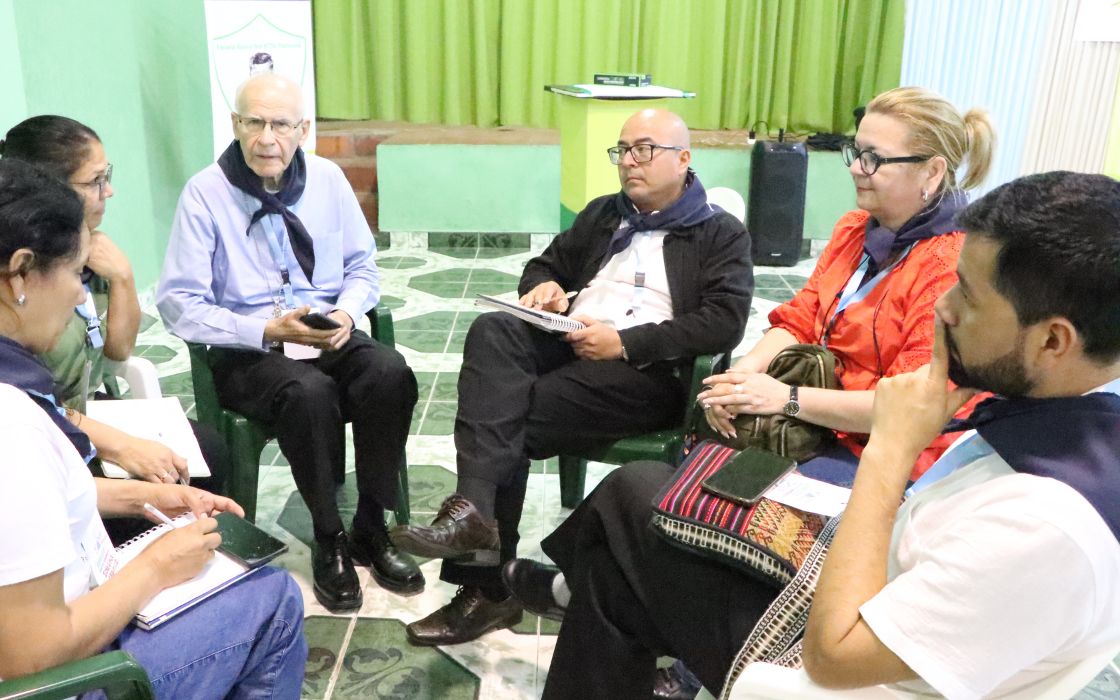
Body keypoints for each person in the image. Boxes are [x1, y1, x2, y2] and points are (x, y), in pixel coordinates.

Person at [507, 171, 1120, 699]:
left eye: (971, 298)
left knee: (631, 505)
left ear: (1052, 341)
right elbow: (802, 319)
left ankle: (563, 586)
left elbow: (833, 660)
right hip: (873, 589)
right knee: (625, 547)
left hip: (823, 673)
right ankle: (577, 588)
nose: (945, 308)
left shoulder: (1044, 526)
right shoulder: (1057, 417)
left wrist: (890, 446)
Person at [0, 159, 306, 698]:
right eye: (76, 273)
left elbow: (2, 507)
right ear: (19, 274)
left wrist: (143, 497)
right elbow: (32, 655)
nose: (81, 295)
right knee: (273, 600)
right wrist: (153, 568)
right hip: (23, 685)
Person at [390, 108, 755, 646]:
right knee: (494, 330)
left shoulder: (719, 233)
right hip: (571, 342)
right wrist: (543, 289)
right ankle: (476, 516)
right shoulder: (605, 213)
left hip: (644, 373)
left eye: (644, 149)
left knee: (505, 416)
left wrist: (625, 343)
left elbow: (723, 321)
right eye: (622, 150)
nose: (629, 162)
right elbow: (545, 265)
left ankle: (485, 586)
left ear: (683, 159)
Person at [156, 73, 422, 613]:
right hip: (250, 349)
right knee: (309, 394)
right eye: (254, 122)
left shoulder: (327, 180)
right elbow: (178, 303)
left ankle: (371, 526)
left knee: (389, 373)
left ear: (303, 129)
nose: (266, 138)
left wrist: (346, 313)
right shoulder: (205, 193)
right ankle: (330, 538)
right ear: (235, 124)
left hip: (325, 333)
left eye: (280, 125)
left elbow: (362, 266)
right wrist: (264, 330)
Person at [699, 86, 996, 488]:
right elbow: (801, 320)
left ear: (932, 171)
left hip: (892, 453)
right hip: (821, 425)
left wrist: (785, 398)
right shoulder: (855, 230)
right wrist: (742, 377)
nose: (856, 168)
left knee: (727, 499)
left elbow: (909, 406)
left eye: (874, 158)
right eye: (856, 152)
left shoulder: (951, 268)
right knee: (691, 476)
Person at [0, 116, 231, 496]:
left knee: (205, 450)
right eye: (96, 181)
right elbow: (33, 403)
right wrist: (124, 447)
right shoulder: (21, 276)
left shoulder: (92, 249)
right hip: (45, 436)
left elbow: (118, 351)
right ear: (50, 189)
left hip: (86, 412)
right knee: (182, 477)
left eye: (106, 175)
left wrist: (123, 277)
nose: (108, 191)